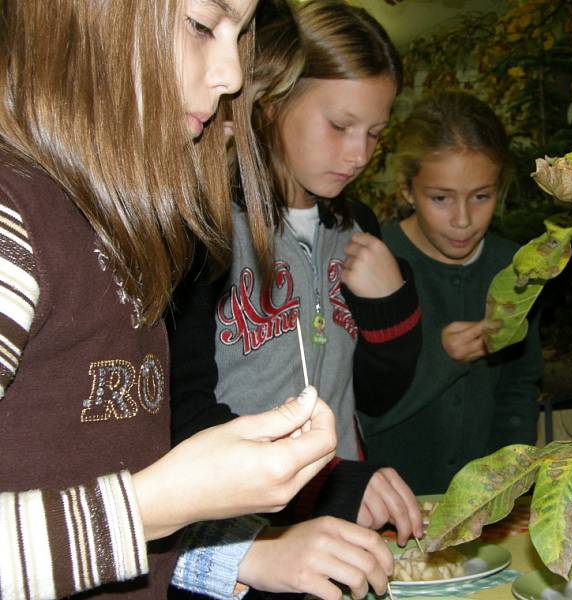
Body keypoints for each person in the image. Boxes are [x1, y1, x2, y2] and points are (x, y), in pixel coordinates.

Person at [0, 1, 368, 598]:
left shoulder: (118, 230)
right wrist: (157, 505)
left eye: (240, 36)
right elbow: (131, 512)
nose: (232, 76)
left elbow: (80, 505)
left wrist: (235, 552)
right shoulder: (14, 225)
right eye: (202, 25)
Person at [167, 1, 422, 597]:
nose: (359, 154)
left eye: (375, 133)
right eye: (339, 125)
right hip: (233, 550)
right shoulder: (201, 226)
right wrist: (334, 482)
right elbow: (184, 411)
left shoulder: (358, 228)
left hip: (339, 536)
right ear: (273, 101)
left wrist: (389, 307)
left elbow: (380, 394)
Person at [359, 90, 544, 495]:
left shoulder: (515, 268)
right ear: (408, 189)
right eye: (441, 198)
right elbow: (356, 414)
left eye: (481, 196)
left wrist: (507, 482)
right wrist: (440, 358)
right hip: (387, 508)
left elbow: (519, 387)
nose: (463, 220)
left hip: (486, 508)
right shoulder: (369, 265)